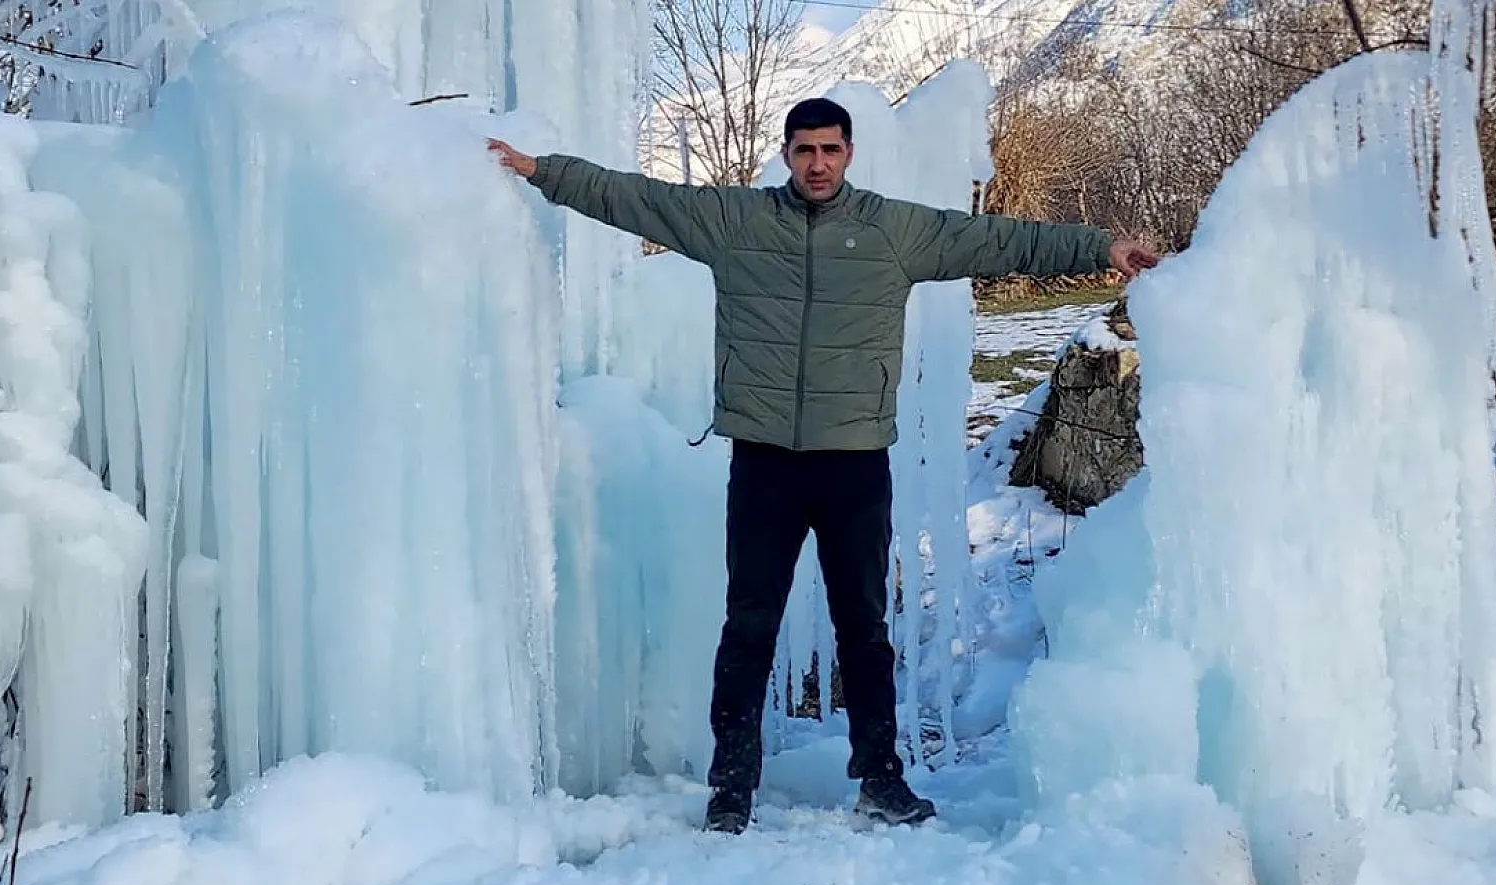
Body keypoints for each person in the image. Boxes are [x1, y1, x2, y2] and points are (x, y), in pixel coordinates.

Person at [488, 97, 1159, 835]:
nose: (817, 163)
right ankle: (731, 789)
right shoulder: (736, 223)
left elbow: (997, 239)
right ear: (785, 154)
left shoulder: (893, 230)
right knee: (749, 626)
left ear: (848, 152)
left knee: (864, 628)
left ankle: (881, 779)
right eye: (804, 149)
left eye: (830, 149)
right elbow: (635, 197)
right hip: (765, 462)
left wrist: (1100, 248)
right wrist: (540, 171)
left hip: (854, 463)